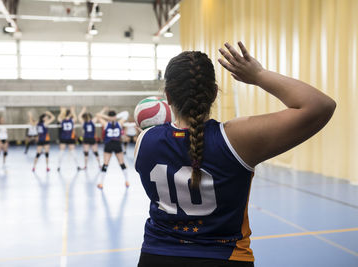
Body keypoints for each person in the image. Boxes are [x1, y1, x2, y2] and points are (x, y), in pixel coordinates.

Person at [134, 42, 336, 267]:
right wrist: (259, 75)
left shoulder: (144, 141)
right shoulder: (237, 139)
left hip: (156, 256)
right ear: (213, 93)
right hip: (225, 257)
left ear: (168, 97)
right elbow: (320, 106)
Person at [96, 108, 129, 189]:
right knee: (122, 163)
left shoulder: (106, 124)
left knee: (105, 164)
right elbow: (126, 113)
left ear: (109, 116)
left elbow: (97, 115)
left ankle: (101, 183)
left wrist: (108, 118)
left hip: (108, 145)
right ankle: (127, 181)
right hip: (117, 144)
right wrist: (114, 117)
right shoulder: (119, 123)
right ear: (115, 116)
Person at [57, 107, 80, 172]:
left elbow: (58, 118)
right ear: (70, 114)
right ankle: (77, 166)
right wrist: (73, 111)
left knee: (61, 152)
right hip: (70, 138)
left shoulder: (62, 120)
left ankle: (58, 166)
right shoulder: (72, 120)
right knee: (73, 152)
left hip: (63, 138)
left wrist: (62, 111)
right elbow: (75, 117)